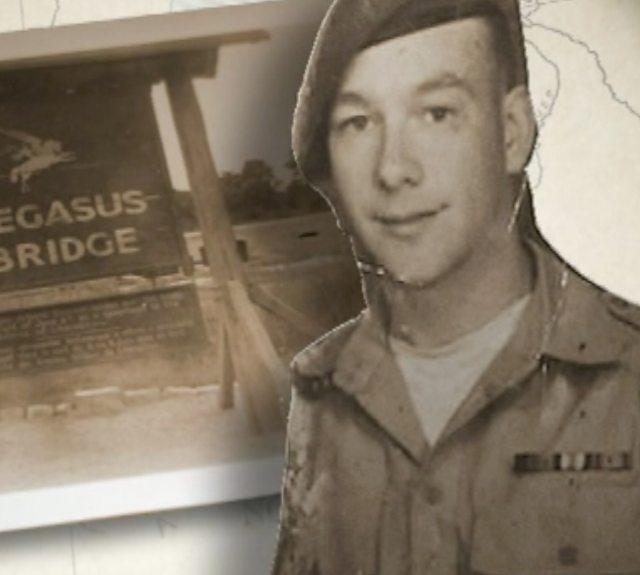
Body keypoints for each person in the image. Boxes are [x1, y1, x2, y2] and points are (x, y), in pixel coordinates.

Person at [272, 0, 640, 573]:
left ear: (513, 132)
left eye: (437, 113)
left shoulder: (629, 374)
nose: (393, 169)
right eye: (358, 123)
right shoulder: (321, 392)